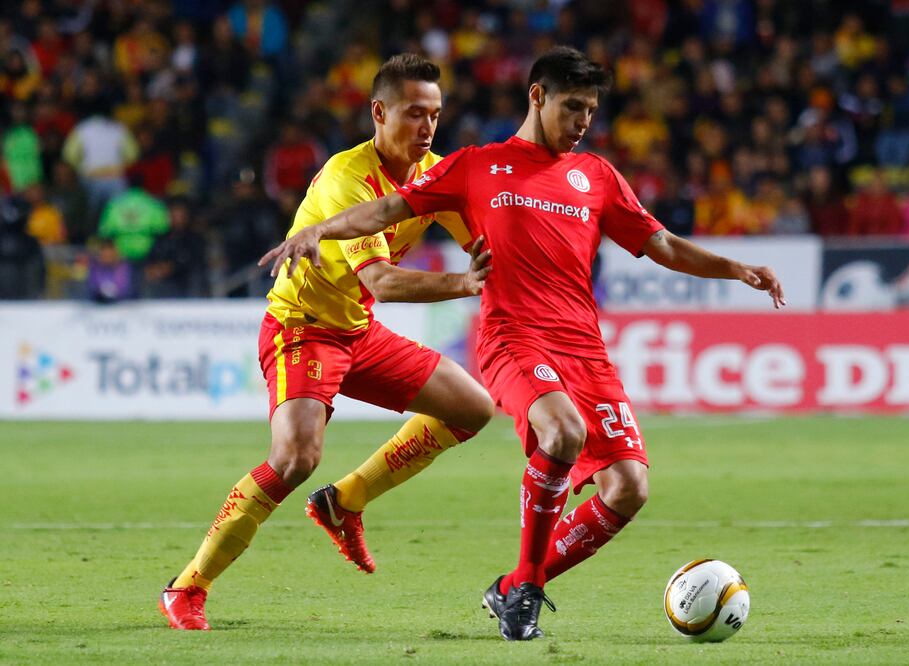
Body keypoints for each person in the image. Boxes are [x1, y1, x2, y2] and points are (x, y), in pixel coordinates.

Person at [260, 46, 785, 642]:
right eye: (573, 106)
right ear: (537, 96)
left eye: (591, 109)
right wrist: (318, 229)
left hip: (584, 346)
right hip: (512, 337)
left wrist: (735, 267)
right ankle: (529, 593)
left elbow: (661, 245)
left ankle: (514, 584)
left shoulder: (598, 177)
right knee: (563, 432)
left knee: (629, 488)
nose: (584, 121)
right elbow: (385, 209)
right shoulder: (476, 165)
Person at [159, 53, 496, 631]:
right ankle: (188, 586)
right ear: (378, 112)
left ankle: (345, 501)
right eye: (415, 114)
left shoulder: (435, 175)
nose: (427, 128)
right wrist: (469, 284)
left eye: (435, 116)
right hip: (301, 328)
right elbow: (382, 282)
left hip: (357, 331)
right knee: (294, 458)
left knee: (473, 407)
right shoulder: (348, 179)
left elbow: (485, 243)